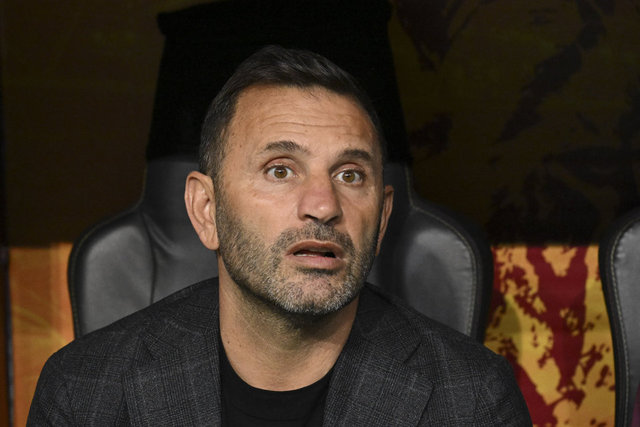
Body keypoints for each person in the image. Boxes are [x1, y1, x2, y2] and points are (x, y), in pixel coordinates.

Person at [28, 45, 531, 426]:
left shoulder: (473, 400)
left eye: (350, 174)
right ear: (206, 210)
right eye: (280, 170)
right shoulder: (84, 392)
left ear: (381, 220)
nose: (324, 205)